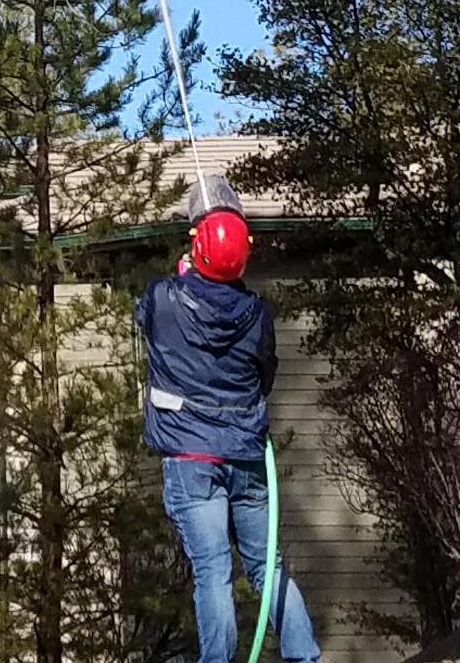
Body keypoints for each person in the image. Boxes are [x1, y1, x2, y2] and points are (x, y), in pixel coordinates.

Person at [135, 175, 321, 663]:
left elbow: (145, 315)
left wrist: (183, 270)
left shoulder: (163, 298)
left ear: (195, 245)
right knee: (269, 570)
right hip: (246, 455)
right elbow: (266, 376)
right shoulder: (257, 314)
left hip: (192, 461)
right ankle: (306, 658)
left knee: (213, 571)